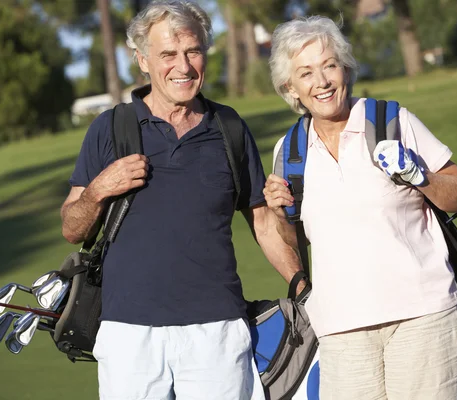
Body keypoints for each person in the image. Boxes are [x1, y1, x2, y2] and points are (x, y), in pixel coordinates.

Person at [60, 1, 303, 399]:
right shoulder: (110, 128)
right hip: (129, 335)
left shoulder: (229, 128)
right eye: (167, 55)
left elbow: (262, 223)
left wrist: (300, 285)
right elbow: (72, 229)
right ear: (141, 60)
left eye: (193, 51)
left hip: (217, 331)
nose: (184, 66)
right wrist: (98, 190)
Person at [263, 16, 457, 400]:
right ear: (290, 88)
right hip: (341, 333)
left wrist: (418, 174)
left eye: (329, 65)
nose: (322, 82)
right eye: (306, 73)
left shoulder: (390, 121)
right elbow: (295, 240)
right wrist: (280, 214)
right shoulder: (288, 152)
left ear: (345, 68)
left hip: (422, 319)